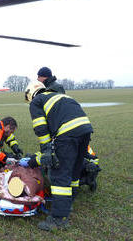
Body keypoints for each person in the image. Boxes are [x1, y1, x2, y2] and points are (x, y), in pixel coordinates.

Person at [22, 81, 93, 231]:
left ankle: (58, 219)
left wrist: (47, 151)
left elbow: (40, 128)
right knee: (74, 170)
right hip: (85, 130)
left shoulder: (36, 101)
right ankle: (68, 204)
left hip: (67, 133)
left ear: (31, 94)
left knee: (59, 175)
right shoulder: (59, 96)